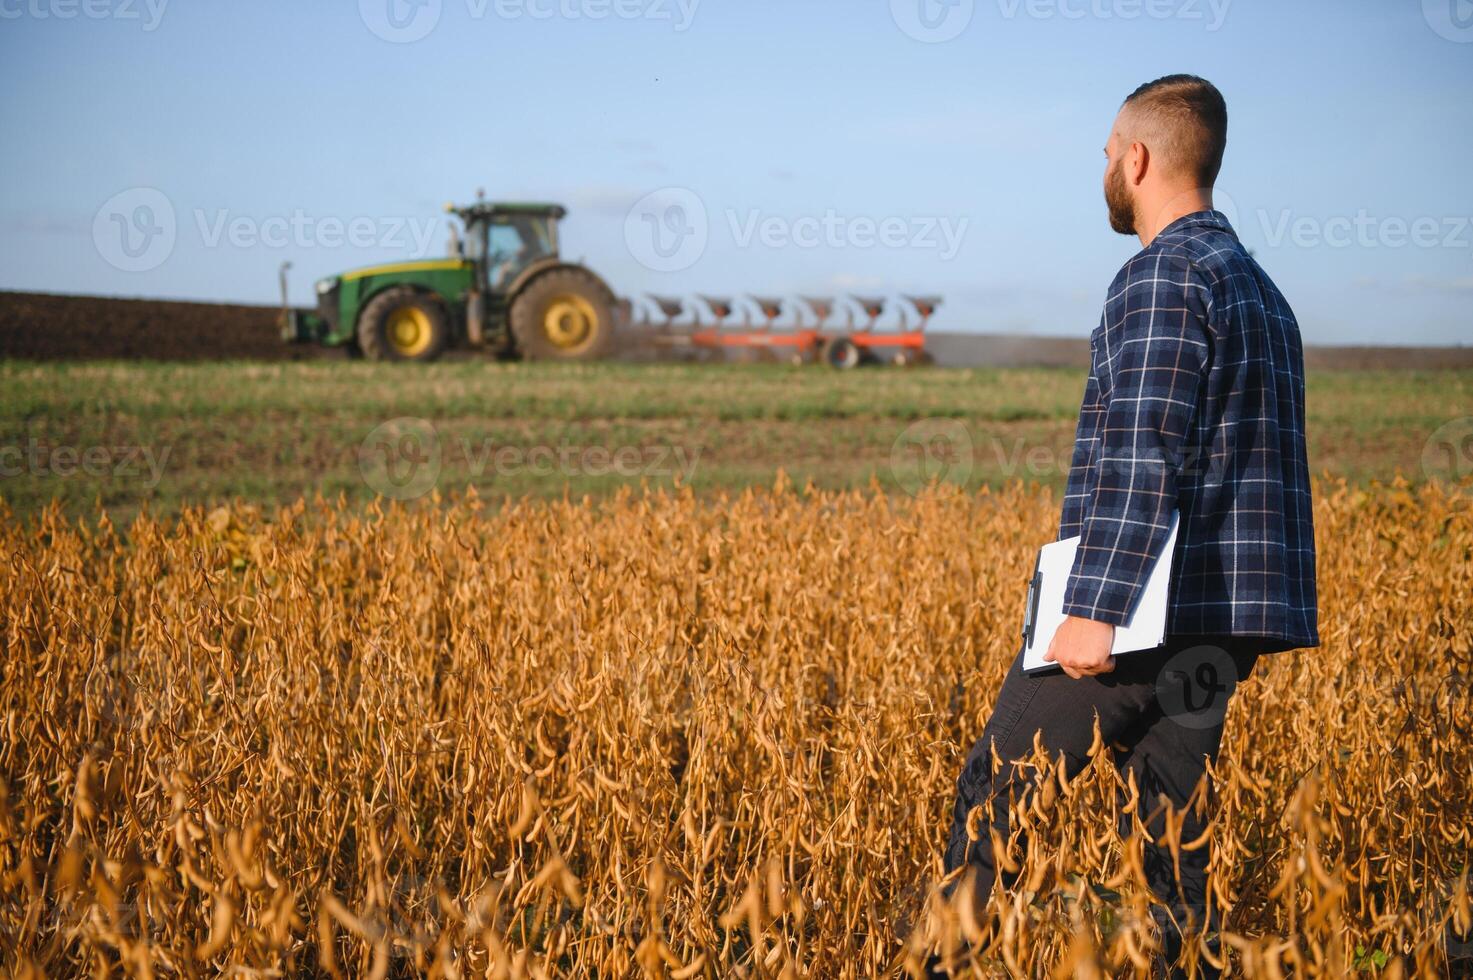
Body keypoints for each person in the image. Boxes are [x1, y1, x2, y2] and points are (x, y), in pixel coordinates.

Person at [939, 75, 1318, 974]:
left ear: (1138, 159)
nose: (1105, 166)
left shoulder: (1163, 276)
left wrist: (1093, 610)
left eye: (1109, 152)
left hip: (1145, 613)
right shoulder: (1258, 288)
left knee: (997, 797)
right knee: (1172, 831)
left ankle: (943, 967)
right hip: (1223, 626)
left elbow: (1144, 454)